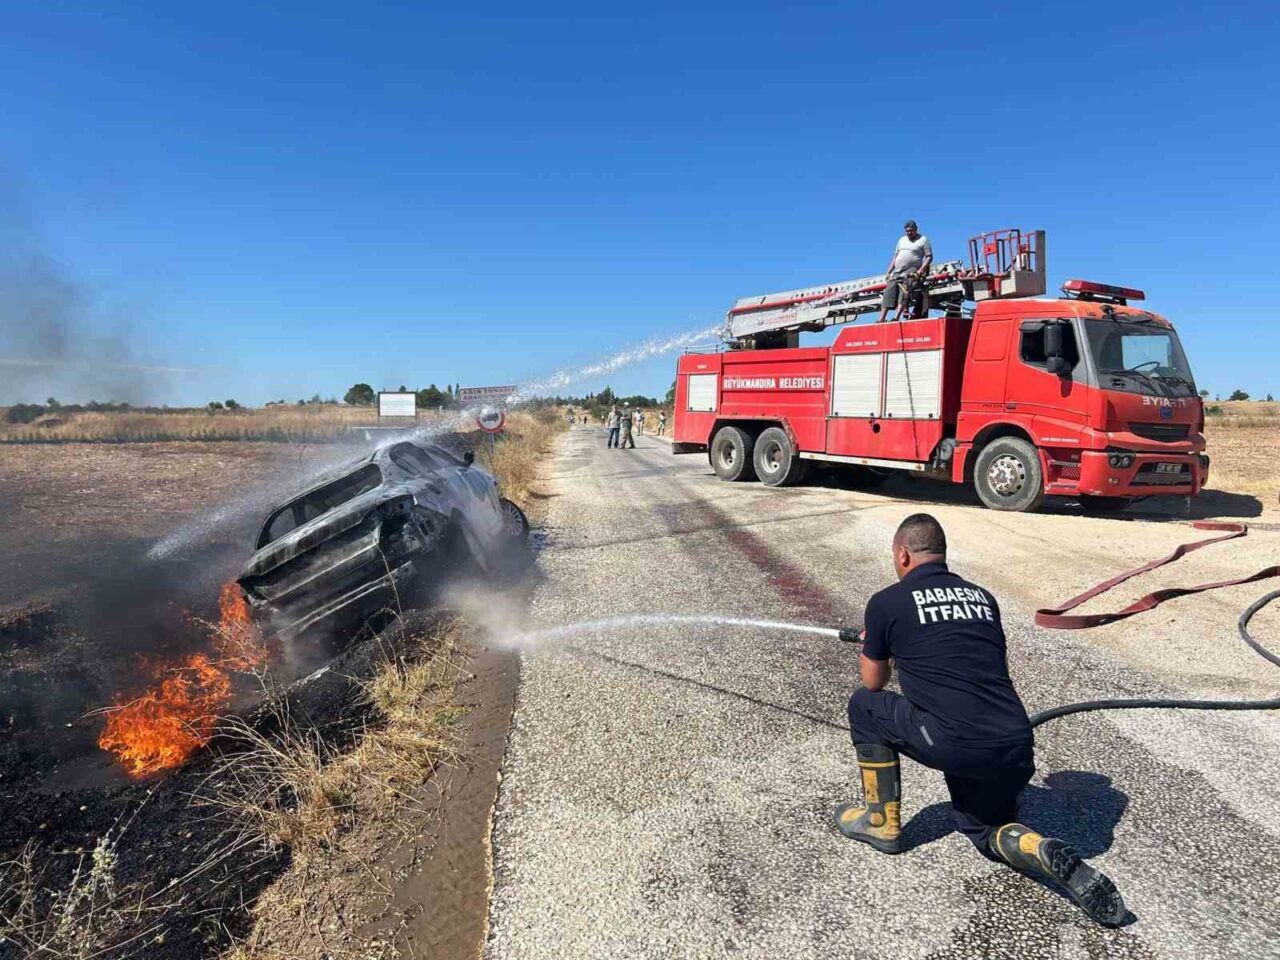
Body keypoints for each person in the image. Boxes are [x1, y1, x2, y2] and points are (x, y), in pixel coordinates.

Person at [837, 513, 1125, 927]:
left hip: (954, 741)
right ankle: (1037, 846)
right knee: (986, 830)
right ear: (941, 554)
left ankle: (881, 823)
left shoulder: (887, 603)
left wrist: (879, 642)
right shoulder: (983, 598)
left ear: (902, 554)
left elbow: (874, 681)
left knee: (864, 706)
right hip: (1013, 744)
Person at [875, 219, 933, 324]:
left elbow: (929, 257)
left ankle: (896, 317)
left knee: (904, 291)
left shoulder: (924, 240)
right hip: (897, 270)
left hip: (912, 270)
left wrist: (921, 270)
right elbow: (895, 256)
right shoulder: (901, 240)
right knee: (889, 291)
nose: (909, 233)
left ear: (916, 229)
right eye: (907, 231)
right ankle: (881, 318)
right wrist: (889, 271)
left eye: (911, 230)